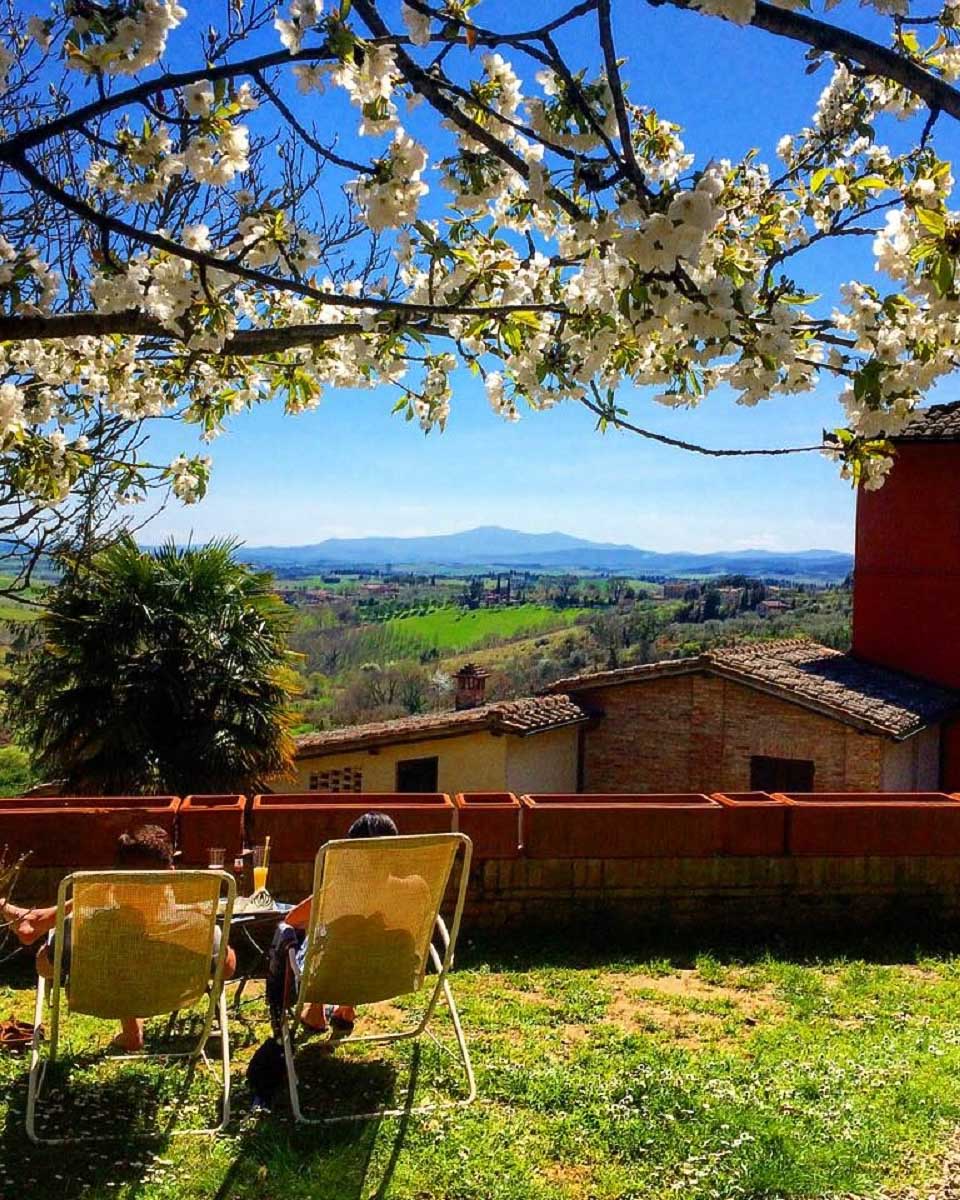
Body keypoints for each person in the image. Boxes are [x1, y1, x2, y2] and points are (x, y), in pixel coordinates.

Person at [0, 824, 236, 1051]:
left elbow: (45, 968)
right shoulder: (194, 925)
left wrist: (49, 947)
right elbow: (226, 969)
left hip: (109, 994)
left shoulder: (89, 928)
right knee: (129, 952)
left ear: (118, 875)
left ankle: (35, 921)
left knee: (119, 950)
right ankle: (33, 921)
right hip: (170, 996)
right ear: (171, 873)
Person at [266, 811, 401, 1038]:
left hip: (333, 975)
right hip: (388, 976)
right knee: (360, 932)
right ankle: (345, 1010)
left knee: (314, 930)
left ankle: (315, 1012)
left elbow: (292, 919)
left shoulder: (341, 892)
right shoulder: (413, 888)